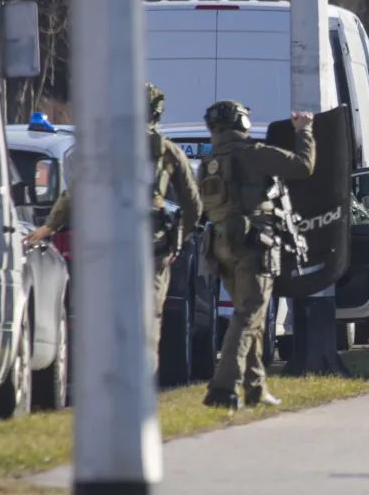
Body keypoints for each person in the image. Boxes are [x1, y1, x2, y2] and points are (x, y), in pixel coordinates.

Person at [24, 83, 202, 374]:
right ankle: (140, 389)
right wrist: (177, 242)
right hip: (153, 251)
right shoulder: (167, 151)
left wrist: (48, 226)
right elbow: (193, 205)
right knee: (149, 322)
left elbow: (74, 193)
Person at [200, 100, 316, 409]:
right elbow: (303, 165)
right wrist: (304, 131)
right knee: (249, 314)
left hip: (220, 245)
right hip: (253, 243)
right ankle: (222, 388)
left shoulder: (210, 160)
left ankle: (255, 388)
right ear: (241, 122)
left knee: (251, 316)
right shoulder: (253, 154)